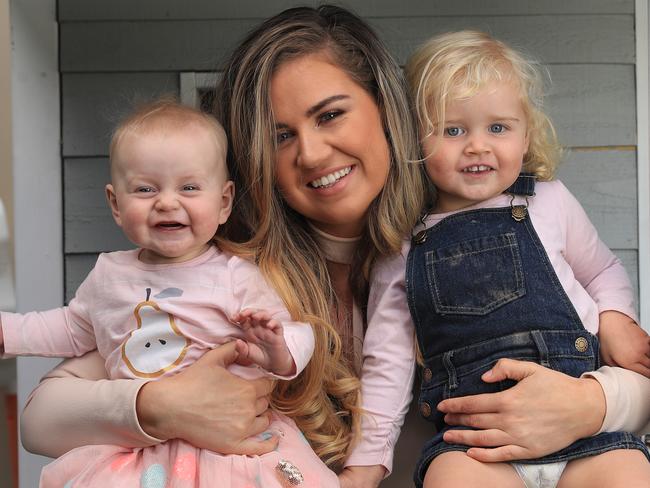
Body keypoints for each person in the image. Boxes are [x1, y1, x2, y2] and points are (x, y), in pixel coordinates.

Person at [15, 6, 650, 488]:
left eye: (330, 115)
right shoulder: (228, 279)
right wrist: (160, 405)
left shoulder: (501, 226)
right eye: (280, 135)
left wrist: (592, 402)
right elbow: (41, 418)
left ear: (385, 107)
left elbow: (628, 371)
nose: (312, 153)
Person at [345, 30, 650, 488]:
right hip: (474, 446)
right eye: (452, 130)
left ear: (526, 136)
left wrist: (616, 320)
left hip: (587, 433)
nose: (477, 146)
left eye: (498, 127)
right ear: (413, 140)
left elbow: (602, 270)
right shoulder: (404, 243)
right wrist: (365, 465)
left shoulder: (549, 202)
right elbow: (385, 363)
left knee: (630, 474)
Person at [0, 100, 343, 487]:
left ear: (224, 202)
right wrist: (7, 333)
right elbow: (68, 327)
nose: (166, 201)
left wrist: (276, 349)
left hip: (229, 446)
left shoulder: (235, 276)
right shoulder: (109, 277)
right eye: (145, 189)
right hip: (137, 450)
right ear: (115, 203)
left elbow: (296, 334)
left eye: (190, 187)